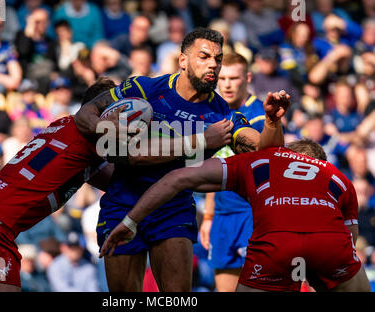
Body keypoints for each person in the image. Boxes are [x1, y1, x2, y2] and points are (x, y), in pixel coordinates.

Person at [0, 76, 231, 292]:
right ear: (104, 111)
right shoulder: (96, 139)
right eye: (121, 109)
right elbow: (138, 158)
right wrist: (202, 141)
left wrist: (173, 183)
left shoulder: (64, 129)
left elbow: (117, 181)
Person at [74, 27, 290, 292]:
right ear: (183, 60)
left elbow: (267, 154)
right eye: (204, 56)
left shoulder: (221, 115)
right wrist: (105, 130)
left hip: (173, 210)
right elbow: (85, 113)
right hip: (122, 203)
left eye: (218, 58)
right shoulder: (144, 88)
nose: (213, 64)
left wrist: (271, 122)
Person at [101, 139, 371, 292]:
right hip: (330, 243)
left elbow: (178, 178)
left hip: (275, 242)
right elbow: (351, 239)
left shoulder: (261, 159)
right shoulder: (338, 176)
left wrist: (130, 220)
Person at [199, 52, 265, 292]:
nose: (226, 84)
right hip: (222, 215)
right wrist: (208, 216)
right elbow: (214, 165)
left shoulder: (260, 116)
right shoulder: (212, 111)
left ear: (247, 78)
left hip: (252, 213)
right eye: (222, 78)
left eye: (233, 78)